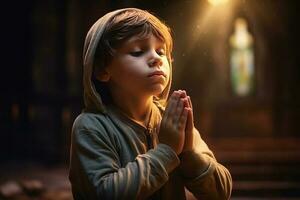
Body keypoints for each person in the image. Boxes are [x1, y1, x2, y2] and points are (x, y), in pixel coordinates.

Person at [69, 7, 232, 200]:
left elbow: (221, 192)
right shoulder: (91, 126)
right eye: (138, 52)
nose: (156, 58)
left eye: (161, 51)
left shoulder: (172, 120)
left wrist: (188, 154)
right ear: (103, 70)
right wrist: (166, 151)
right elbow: (105, 193)